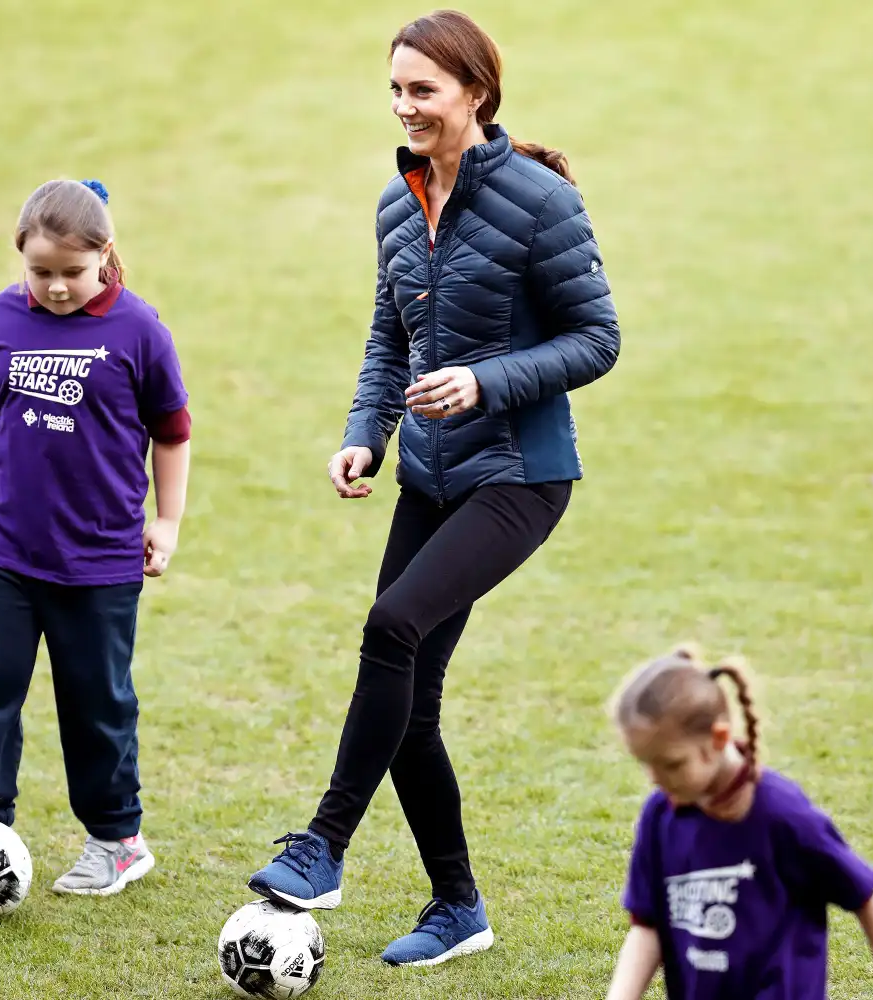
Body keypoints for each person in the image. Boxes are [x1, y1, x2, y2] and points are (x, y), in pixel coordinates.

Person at [248, 8, 620, 967]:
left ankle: (324, 845)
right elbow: (388, 339)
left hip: (521, 477)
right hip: (429, 472)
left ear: (476, 95)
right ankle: (459, 908)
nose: (407, 107)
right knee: (409, 697)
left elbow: (598, 340)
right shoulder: (396, 203)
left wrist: (487, 380)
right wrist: (363, 436)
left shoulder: (540, 202)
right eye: (397, 91)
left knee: (392, 628)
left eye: (424, 90)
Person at [0, 179, 191, 896]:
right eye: (41, 272)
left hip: (97, 559)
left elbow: (172, 432)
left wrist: (166, 520)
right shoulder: (0, 318)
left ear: (104, 255)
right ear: (21, 260)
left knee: (95, 701)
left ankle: (116, 839)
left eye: (72, 272)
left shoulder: (138, 330)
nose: (57, 287)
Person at [605, 646, 873, 1000]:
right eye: (644, 763)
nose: (654, 778)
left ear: (718, 740)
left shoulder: (781, 814)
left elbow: (867, 896)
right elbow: (647, 926)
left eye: (671, 764)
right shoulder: (661, 816)